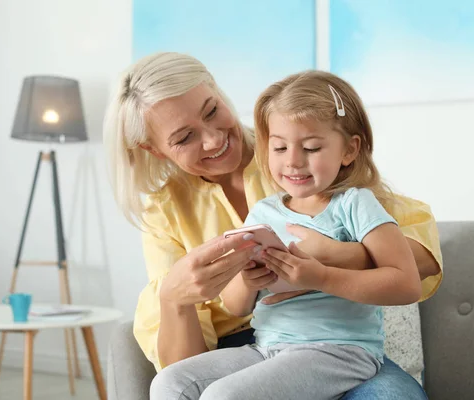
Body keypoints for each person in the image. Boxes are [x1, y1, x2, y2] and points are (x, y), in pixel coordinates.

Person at [103, 52, 443, 399]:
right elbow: (233, 309)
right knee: (171, 384)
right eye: (184, 137)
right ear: (154, 150)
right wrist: (177, 298)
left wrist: (332, 258)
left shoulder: (311, 172)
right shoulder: (181, 210)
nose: (212, 139)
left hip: (336, 343)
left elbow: (418, 250)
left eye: (211, 111)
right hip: (260, 343)